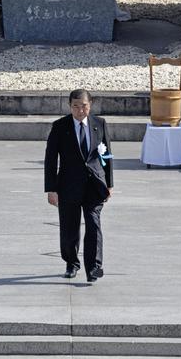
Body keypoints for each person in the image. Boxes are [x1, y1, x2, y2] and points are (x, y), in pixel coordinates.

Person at [44, 89, 113, 284]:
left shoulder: (99, 124)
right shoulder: (59, 126)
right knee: (69, 228)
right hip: (68, 185)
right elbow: (50, 159)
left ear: (90, 105)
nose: (80, 110)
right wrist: (51, 188)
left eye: (84, 106)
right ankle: (71, 263)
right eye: (76, 106)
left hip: (94, 185)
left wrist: (109, 184)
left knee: (94, 225)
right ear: (70, 106)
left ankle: (94, 267)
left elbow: (107, 155)